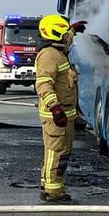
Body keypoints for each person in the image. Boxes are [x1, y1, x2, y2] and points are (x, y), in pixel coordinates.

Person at [35, 13, 80, 203]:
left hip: (64, 114)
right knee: (57, 153)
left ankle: (48, 185)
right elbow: (44, 84)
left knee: (54, 152)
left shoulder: (58, 54)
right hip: (57, 116)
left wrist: (73, 29)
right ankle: (54, 192)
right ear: (56, 34)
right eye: (66, 34)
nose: (68, 37)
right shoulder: (49, 56)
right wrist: (55, 108)